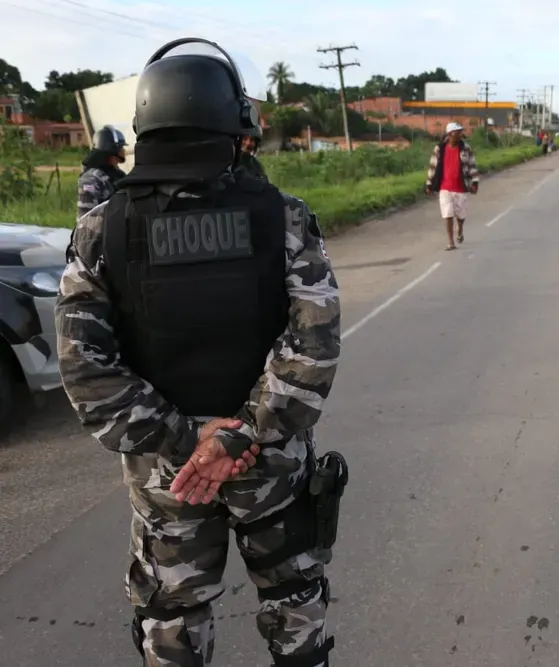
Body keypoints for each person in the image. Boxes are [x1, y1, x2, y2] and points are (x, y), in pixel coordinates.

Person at [54, 37, 344, 667]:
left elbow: (84, 371)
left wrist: (189, 439)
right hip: (269, 464)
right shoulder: (284, 218)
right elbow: (313, 348)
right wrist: (239, 436)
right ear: (235, 126)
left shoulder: (101, 229)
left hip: (170, 474)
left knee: (172, 619)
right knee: (295, 604)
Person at [425, 121, 479, 251]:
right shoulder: (440, 148)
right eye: (458, 132)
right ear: (450, 134)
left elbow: (472, 165)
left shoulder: (466, 148)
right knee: (447, 213)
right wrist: (429, 184)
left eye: (461, 132)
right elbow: (432, 166)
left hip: (461, 186)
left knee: (461, 215)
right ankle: (450, 242)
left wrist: (475, 182)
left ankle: (459, 229)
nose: (460, 134)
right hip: (445, 187)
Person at [77, 124, 128, 220]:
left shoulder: (118, 175)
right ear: (113, 149)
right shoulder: (90, 179)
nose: (124, 150)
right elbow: (86, 218)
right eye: (121, 147)